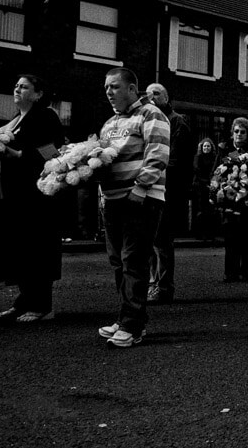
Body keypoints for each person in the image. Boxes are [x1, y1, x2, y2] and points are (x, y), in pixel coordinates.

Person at [0, 75, 64, 322]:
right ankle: (24, 301)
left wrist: (16, 154)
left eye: (24, 86)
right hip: (11, 194)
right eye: (16, 85)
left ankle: (42, 306)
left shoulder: (46, 116)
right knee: (18, 247)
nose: (17, 89)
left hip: (34, 194)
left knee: (35, 247)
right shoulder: (14, 121)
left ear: (38, 94)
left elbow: (52, 150)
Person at [97, 68, 170, 347]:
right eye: (106, 87)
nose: (109, 92)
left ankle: (133, 326)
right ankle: (126, 317)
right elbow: (102, 160)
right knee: (118, 262)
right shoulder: (109, 124)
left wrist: (141, 188)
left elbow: (159, 153)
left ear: (132, 89)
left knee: (134, 260)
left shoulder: (151, 114)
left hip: (140, 199)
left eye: (114, 86)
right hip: (113, 200)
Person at [145, 83, 193, 304]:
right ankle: (153, 283)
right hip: (150, 186)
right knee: (151, 239)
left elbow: (176, 158)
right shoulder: (148, 121)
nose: (151, 97)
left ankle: (163, 287)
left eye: (156, 93)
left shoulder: (177, 121)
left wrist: (152, 171)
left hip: (167, 189)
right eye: (147, 94)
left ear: (166, 96)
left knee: (162, 240)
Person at [221, 118, 248, 282]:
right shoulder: (225, 151)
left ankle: (246, 271)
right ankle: (230, 272)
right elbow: (216, 172)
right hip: (230, 199)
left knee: (247, 236)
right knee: (230, 236)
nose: (239, 135)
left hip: (247, 199)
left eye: (243, 132)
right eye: (236, 131)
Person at [190, 138, 218, 243]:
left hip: (211, 186)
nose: (206, 148)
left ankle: (210, 234)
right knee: (201, 210)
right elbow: (197, 171)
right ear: (201, 147)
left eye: (208, 146)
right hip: (200, 187)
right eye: (205, 146)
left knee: (210, 211)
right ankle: (200, 234)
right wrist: (206, 183)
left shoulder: (214, 158)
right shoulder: (198, 157)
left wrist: (212, 183)